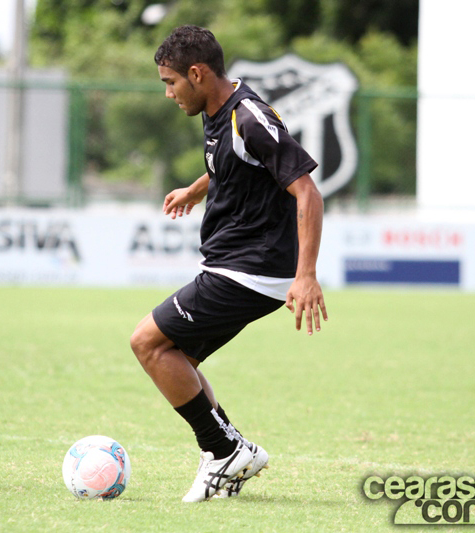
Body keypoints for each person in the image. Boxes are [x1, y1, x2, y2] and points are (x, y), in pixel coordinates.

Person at [130, 25, 328, 503]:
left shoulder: (250, 116)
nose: (169, 93)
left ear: (196, 74)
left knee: (148, 343)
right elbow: (236, 160)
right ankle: (230, 452)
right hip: (237, 261)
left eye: (170, 82)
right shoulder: (218, 109)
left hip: (250, 267)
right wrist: (196, 189)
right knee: (181, 361)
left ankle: (222, 450)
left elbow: (307, 190)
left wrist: (306, 276)